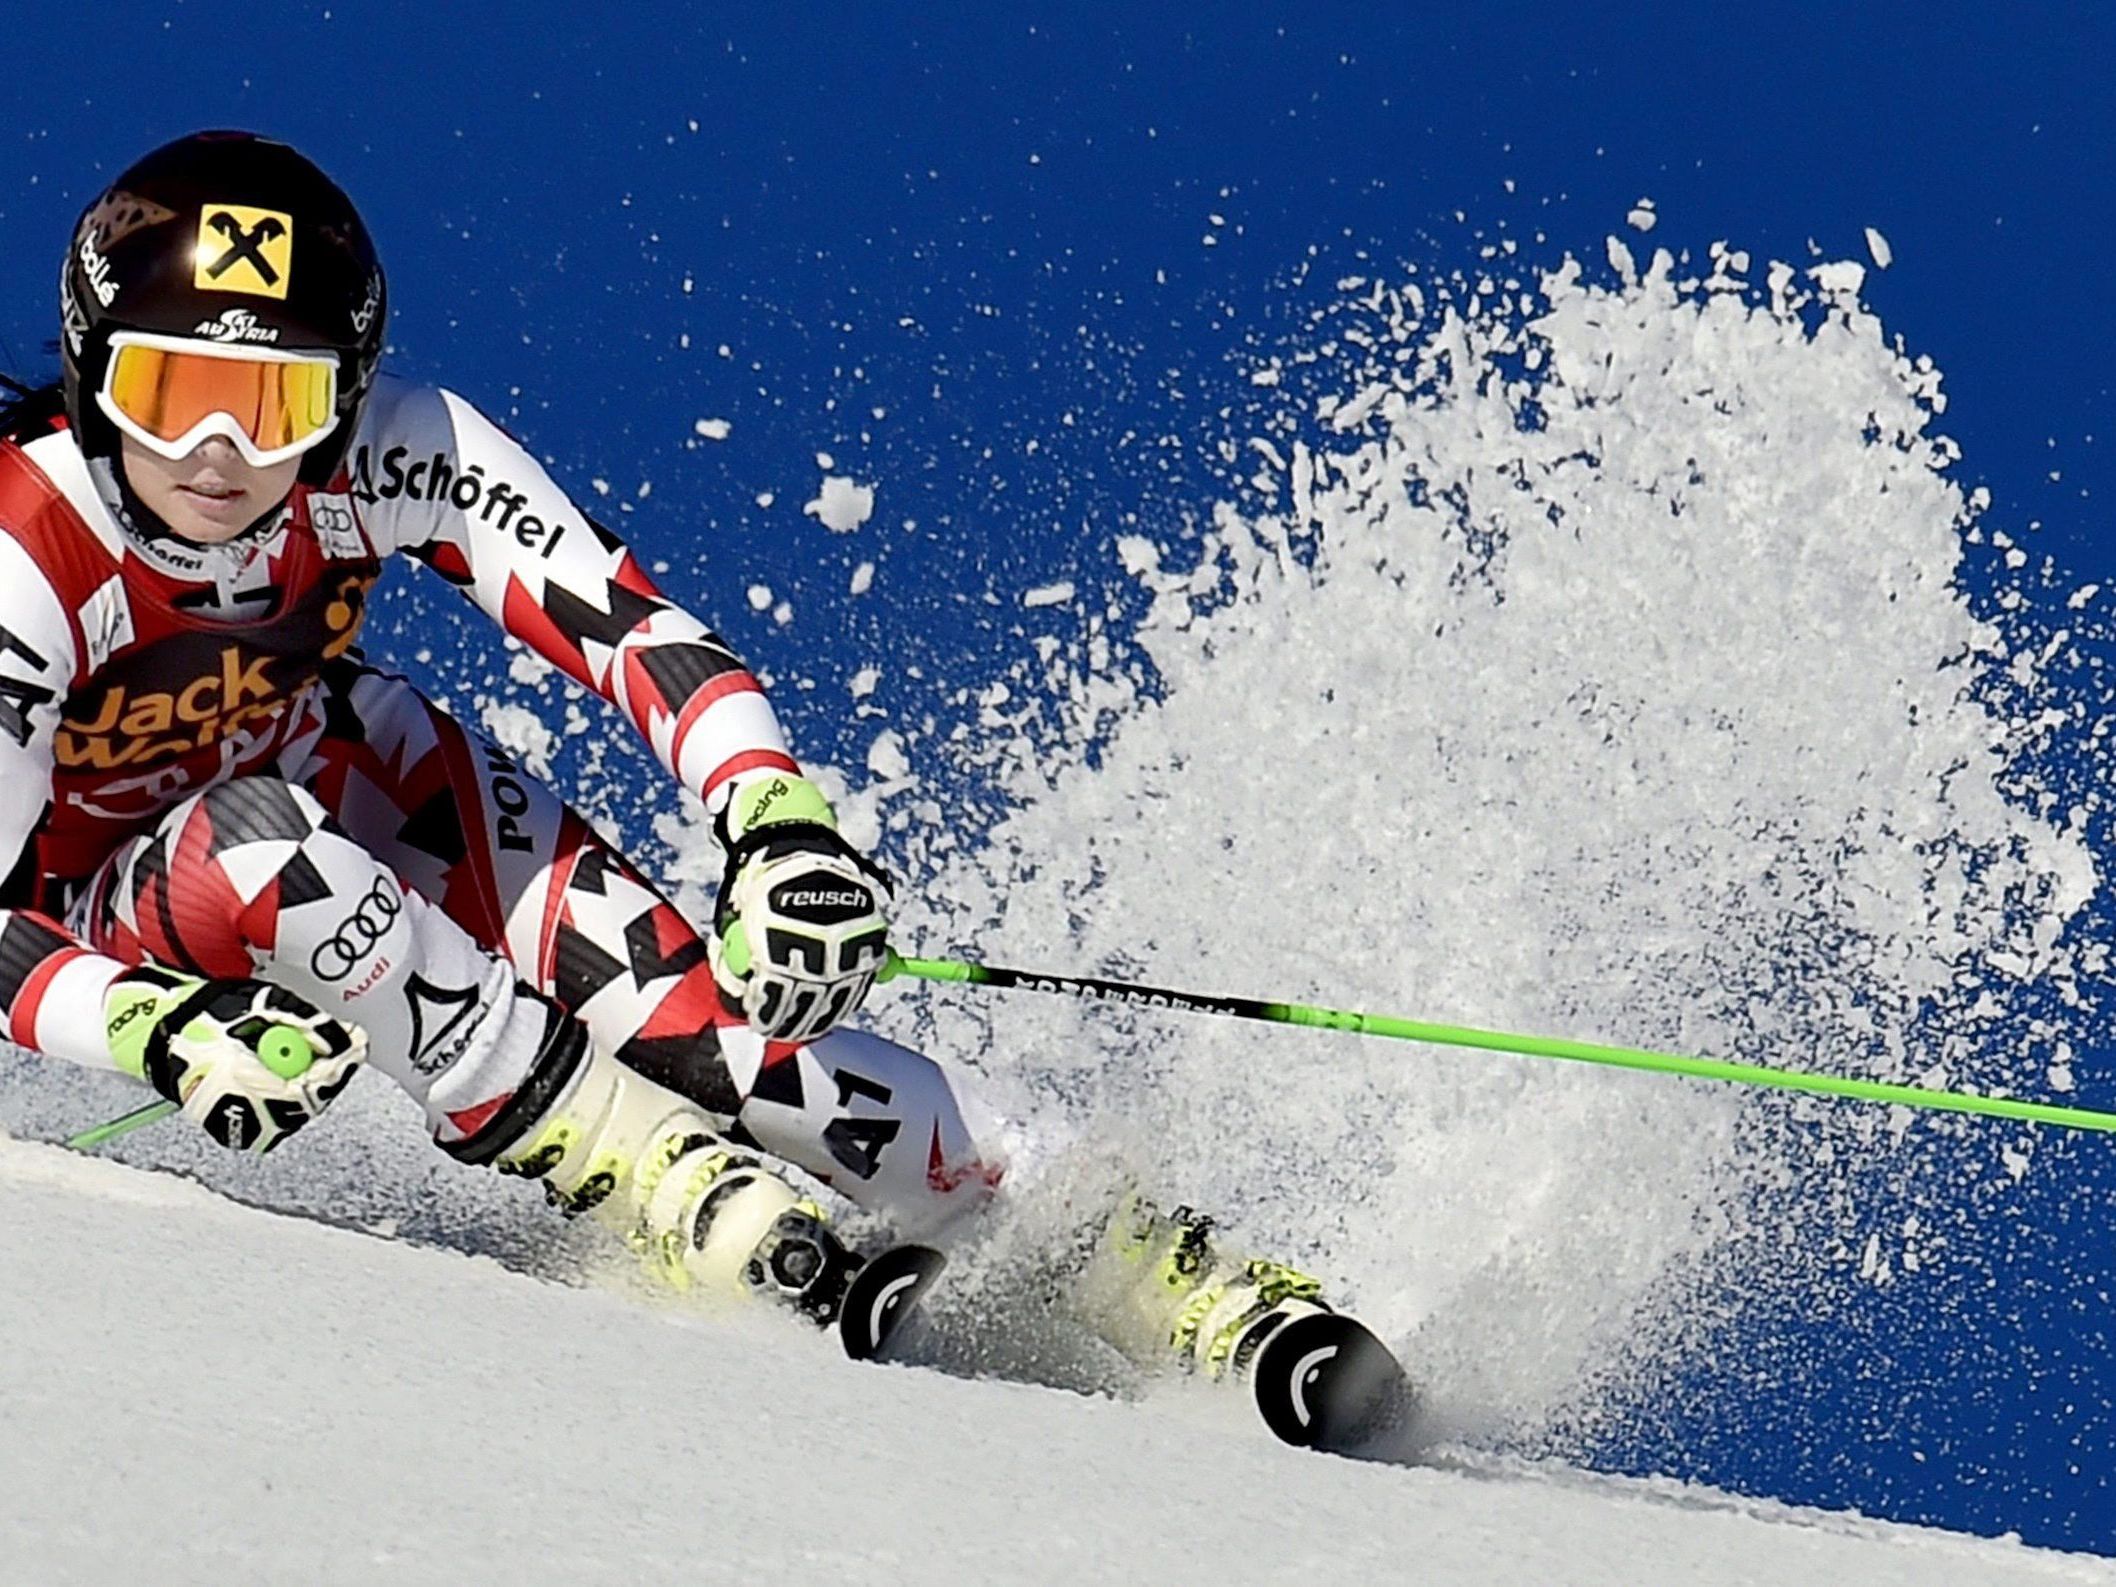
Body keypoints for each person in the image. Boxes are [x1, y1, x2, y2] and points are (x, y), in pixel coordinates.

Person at [0, 130, 1331, 1376]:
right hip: (106, 904)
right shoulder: (27, 554)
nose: (223, 456)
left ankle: (1130, 1253)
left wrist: (780, 824)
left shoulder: (398, 451)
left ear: (343, 399)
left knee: (713, 1027)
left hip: (345, 768)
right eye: (170, 393)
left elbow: (625, 629)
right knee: (283, 870)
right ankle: (641, 1163)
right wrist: (149, 1029)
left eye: (278, 404)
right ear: (87, 368)